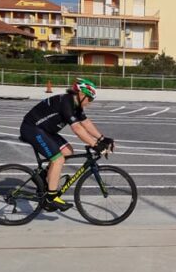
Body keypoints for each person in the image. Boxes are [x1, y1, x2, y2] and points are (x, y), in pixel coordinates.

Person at [20, 78, 114, 211]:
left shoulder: (76, 105)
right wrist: (94, 144)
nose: (90, 103)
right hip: (32, 129)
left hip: (45, 131)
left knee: (68, 151)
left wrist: (102, 138)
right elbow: (77, 129)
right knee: (58, 159)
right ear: (81, 94)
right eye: (89, 99)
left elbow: (86, 123)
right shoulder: (66, 102)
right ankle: (50, 198)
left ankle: (42, 177)